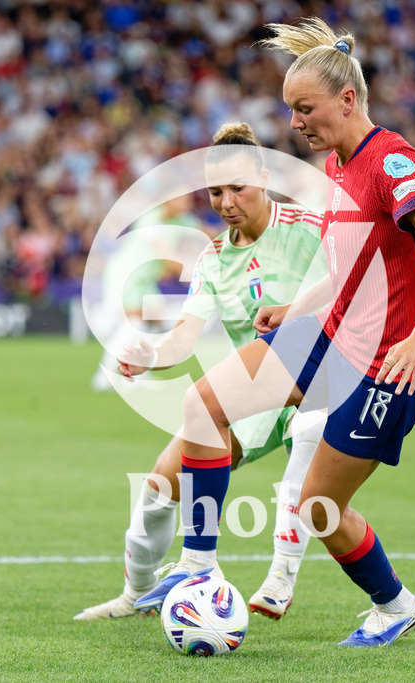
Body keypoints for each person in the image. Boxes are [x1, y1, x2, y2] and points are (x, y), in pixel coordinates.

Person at [135, 18, 415, 648]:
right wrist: (295, 306)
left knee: (319, 510)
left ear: (347, 100)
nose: (295, 123)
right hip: (332, 336)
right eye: (291, 110)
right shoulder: (339, 166)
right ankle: (197, 566)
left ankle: (395, 605)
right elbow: (353, 269)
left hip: (390, 368)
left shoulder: (392, 162)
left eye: (305, 108)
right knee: (202, 406)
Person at [75, 122, 327, 621]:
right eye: (216, 191)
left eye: (238, 187)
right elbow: (184, 337)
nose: (227, 201)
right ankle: (135, 594)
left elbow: (347, 290)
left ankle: (280, 576)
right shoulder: (213, 258)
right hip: (250, 393)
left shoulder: (307, 229)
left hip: (316, 379)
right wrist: (152, 355)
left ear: (262, 176)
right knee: (158, 488)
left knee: (311, 427)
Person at [90, 194, 195, 392]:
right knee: (134, 325)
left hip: (145, 280)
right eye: (182, 198)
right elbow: (163, 250)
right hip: (126, 275)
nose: (187, 203)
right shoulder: (151, 218)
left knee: (158, 322)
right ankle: (105, 375)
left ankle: (139, 371)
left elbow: (203, 232)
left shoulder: (181, 220)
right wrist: (188, 270)